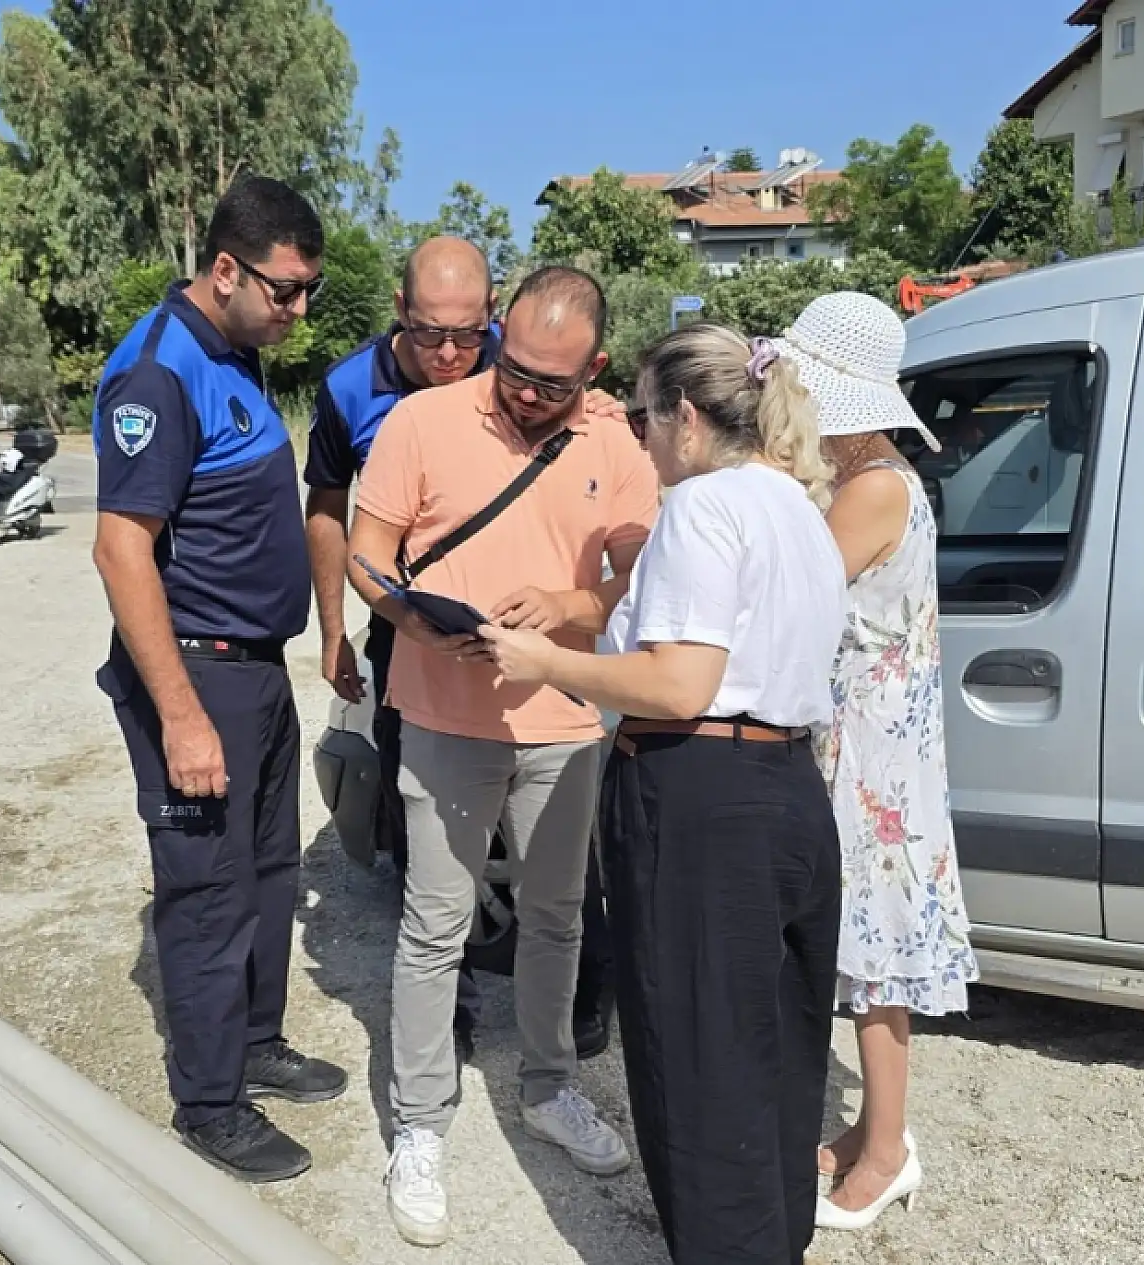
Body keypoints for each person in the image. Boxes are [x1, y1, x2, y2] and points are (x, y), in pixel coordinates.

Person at [480, 322, 847, 1265]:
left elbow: (680, 681)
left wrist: (544, 661)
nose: (638, 439)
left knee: (697, 1056)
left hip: (699, 790)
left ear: (686, 416)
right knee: (776, 1045)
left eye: (643, 417)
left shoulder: (701, 504)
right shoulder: (799, 504)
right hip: (788, 786)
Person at [347, 266, 658, 1248]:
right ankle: (419, 1123)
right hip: (443, 717)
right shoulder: (422, 421)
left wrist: (568, 606)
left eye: (550, 383)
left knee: (556, 917)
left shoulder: (613, 440)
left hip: (562, 723)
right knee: (434, 925)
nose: (524, 393)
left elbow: (641, 574)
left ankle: (549, 1085)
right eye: (513, 369)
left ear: (593, 369)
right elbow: (366, 549)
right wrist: (407, 618)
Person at [304, 237, 618, 1064]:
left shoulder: (569, 396)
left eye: (469, 335)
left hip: (549, 685)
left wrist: (567, 606)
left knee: (561, 872)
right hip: (417, 645)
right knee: (431, 867)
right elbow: (334, 517)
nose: (450, 353)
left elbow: (634, 556)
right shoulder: (357, 392)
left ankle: (580, 1010)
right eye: (430, 334)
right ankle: (450, 1019)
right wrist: (346, 626)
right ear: (400, 312)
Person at [91, 175, 347, 1185]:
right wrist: (182, 714)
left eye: (310, 290)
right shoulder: (157, 373)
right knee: (207, 891)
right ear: (227, 269)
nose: (299, 310)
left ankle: (254, 1040)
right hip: (199, 675)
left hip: (255, 668)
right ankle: (209, 1102)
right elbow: (121, 551)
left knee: (267, 872)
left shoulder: (232, 351)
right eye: (285, 290)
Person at [776, 293, 981, 1231]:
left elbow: (800, 586)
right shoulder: (873, 475)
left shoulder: (873, 488)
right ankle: (872, 1129)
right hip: (872, 741)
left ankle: (889, 1150)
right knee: (868, 948)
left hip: (873, 753)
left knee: (876, 956)